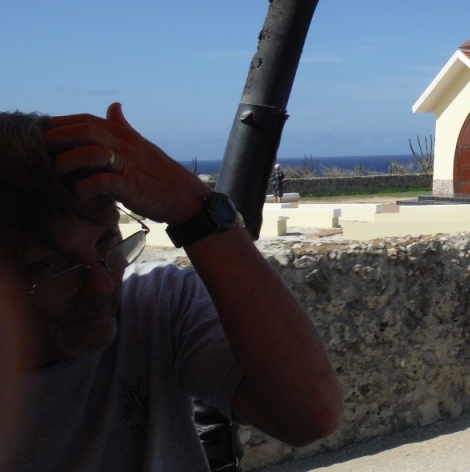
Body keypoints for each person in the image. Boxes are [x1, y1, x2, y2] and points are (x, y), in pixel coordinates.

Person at [0, 104, 343, 471]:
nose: (99, 285)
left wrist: (194, 207)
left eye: (106, 241)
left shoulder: (156, 305)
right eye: (50, 265)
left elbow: (310, 414)